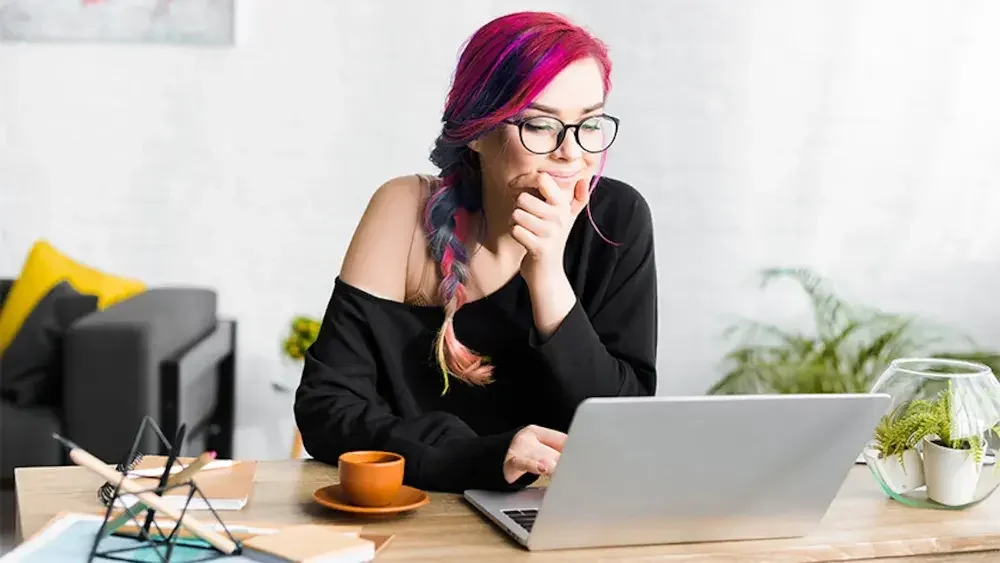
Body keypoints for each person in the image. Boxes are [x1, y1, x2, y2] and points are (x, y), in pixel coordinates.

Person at [294, 11, 657, 494]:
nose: (572, 153)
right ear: (478, 131)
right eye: (541, 125)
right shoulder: (405, 212)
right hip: (415, 513)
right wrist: (478, 456)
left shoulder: (616, 219)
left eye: (589, 123)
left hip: (559, 515)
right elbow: (327, 410)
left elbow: (623, 429)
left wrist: (547, 276)